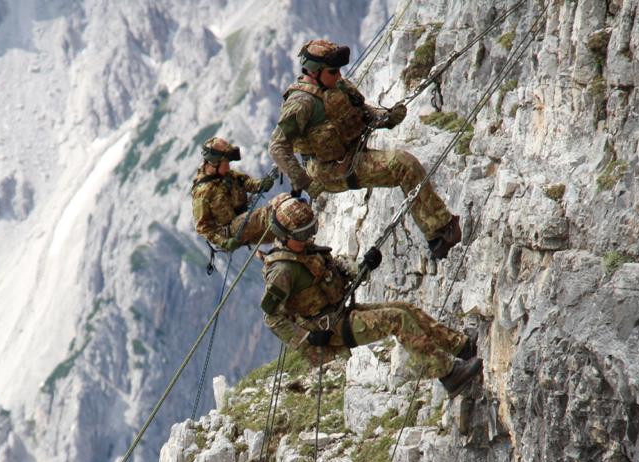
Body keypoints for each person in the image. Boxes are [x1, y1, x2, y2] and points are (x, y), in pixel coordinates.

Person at [259, 195, 482, 396]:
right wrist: (307, 338)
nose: (308, 236)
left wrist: (363, 266)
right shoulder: (282, 271)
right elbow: (272, 317)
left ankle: (460, 346)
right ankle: (449, 374)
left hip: (339, 313)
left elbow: (334, 268)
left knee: (404, 309)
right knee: (397, 319)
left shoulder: (304, 249)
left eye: (311, 229)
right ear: (285, 236)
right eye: (302, 234)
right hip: (328, 329)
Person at [269, 39, 462, 260]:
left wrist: (386, 118)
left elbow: (364, 111)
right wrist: (305, 182)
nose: (339, 75)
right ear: (315, 72)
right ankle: (440, 233)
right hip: (330, 170)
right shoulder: (301, 103)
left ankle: (438, 231)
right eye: (333, 71)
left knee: (404, 165)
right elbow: (277, 146)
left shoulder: (338, 86)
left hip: (353, 154)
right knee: (403, 165)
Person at [191, 137, 276, 251]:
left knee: (279, 230)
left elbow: (247, 183)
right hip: (228, 232)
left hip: (244, 222)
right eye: (225, 163)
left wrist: (261, 184)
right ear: (214, 163)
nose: (228, 166)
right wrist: (224, 243)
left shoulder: (229, 175)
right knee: (272, 215)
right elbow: (202, 227)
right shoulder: (202, 192)